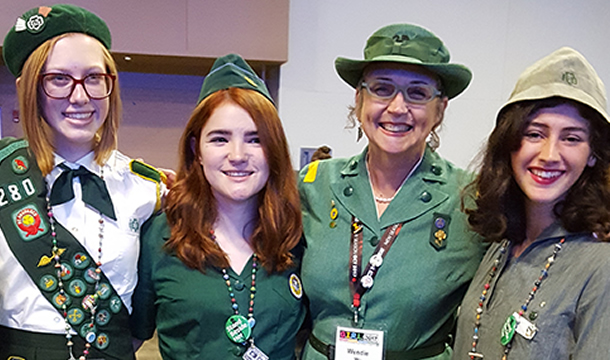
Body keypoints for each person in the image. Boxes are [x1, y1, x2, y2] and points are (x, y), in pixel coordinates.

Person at [298, 24, 486, 360]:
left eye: (417, 93)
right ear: (359, 100)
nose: (398, 107)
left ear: (439, 110)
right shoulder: (314, 185)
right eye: (382, 89)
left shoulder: (471, 199)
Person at [0, 4, 163, 360]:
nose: (79, 96)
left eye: (94, 77)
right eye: (58, 79)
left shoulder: (147, 189)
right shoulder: (3, 173)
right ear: (29, 89)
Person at [130, 54, 306, 359]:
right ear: (196, 150)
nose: (237, 155)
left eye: (255, 139)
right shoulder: (158, 236)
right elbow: (129, 341)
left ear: (273, 151)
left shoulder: (297, 235)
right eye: (220, 139)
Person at [454, 47, 610, 359]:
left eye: (572, 138)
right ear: (509, 142)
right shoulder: (501, 244)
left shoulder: (600, 266)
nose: (550, 155)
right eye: (535, 134)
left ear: (593, 154)